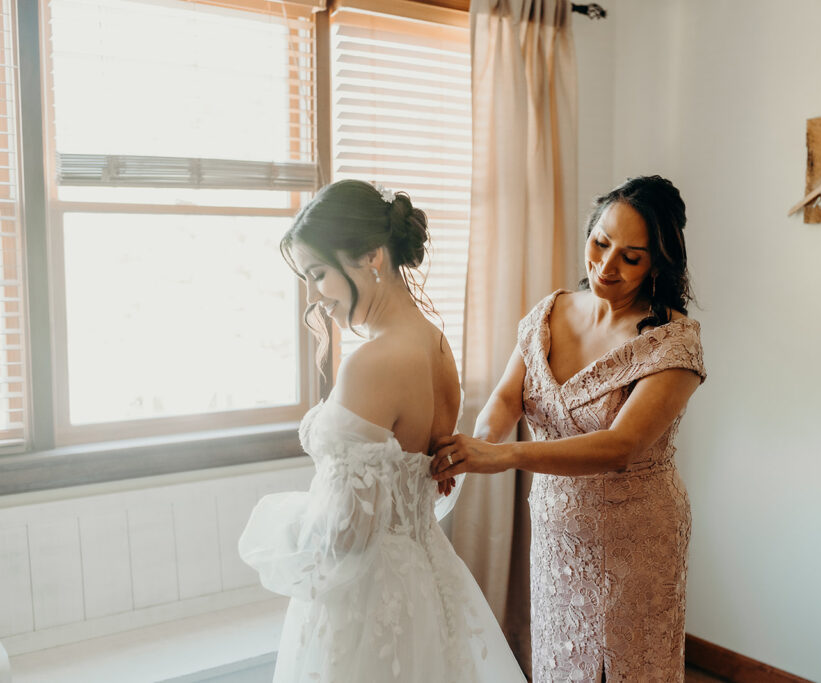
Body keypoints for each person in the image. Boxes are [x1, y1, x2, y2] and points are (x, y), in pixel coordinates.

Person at [238, 179, 526, 682]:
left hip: (368, 601)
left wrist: (280, 530)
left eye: (318, 273)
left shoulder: (373, 364)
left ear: (371, 257)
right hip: (424, 581)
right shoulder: (437, 347)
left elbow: (347, 535)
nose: (313, 294)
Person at [430, 175, 707, 683]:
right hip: (559, 531)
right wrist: (479, 444)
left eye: (631, 256)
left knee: (627, 670)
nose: (606, 266)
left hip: (636, 535)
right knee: (563, 662)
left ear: (658, 263)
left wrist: (507, 458)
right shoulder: (549, 312)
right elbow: (505, 398)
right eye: (600, 242)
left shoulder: (674, 344)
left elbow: (620, 446)